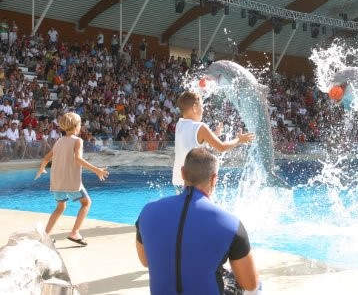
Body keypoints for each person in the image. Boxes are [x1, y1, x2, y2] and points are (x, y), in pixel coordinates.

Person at [135, 148, 261, 295]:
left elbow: (145, 261)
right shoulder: (230, 224)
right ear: (214, 179)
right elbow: (250, 284)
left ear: (182, 173)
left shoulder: (147, 212)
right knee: (256, 285)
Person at [34, 112, 109, 246]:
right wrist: (96, 170)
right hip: (70, 181)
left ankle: (45, 237)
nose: (81, 127)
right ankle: (75, 232)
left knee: (60, 207)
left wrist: (41, 169)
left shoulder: (59, 141)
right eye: (80, 124)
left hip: (57, 181)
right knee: (86, 203)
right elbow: (78, 159)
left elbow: (46, 158)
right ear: (76, 126)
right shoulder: (77, 140)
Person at [172, 91, 255, 187]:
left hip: (178, 181)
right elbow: (222, 147)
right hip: (194, 184)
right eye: (202, 106)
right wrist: (239, 140)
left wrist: (215, 134)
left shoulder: (179, 124)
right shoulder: (200, 127)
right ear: (194, 108)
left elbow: (194, 140)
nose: (203, 110)